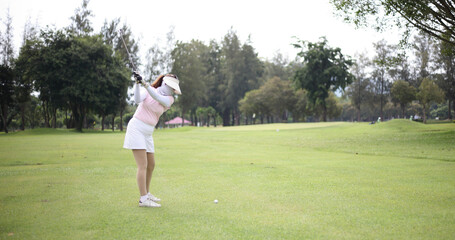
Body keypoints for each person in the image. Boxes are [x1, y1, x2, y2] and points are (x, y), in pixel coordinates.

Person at [123, 72, 181, 207]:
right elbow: (137, 100)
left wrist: (145, 84)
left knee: (151, 165)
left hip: (148, 132)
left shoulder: (169, 99)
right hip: (137, 128)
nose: (172, 91)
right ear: (165, 83)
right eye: (171, 87)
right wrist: (137, 84)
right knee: (142, 165)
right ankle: (143, 199)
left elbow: (158, 98)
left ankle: (147, 193)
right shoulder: (149, 90)